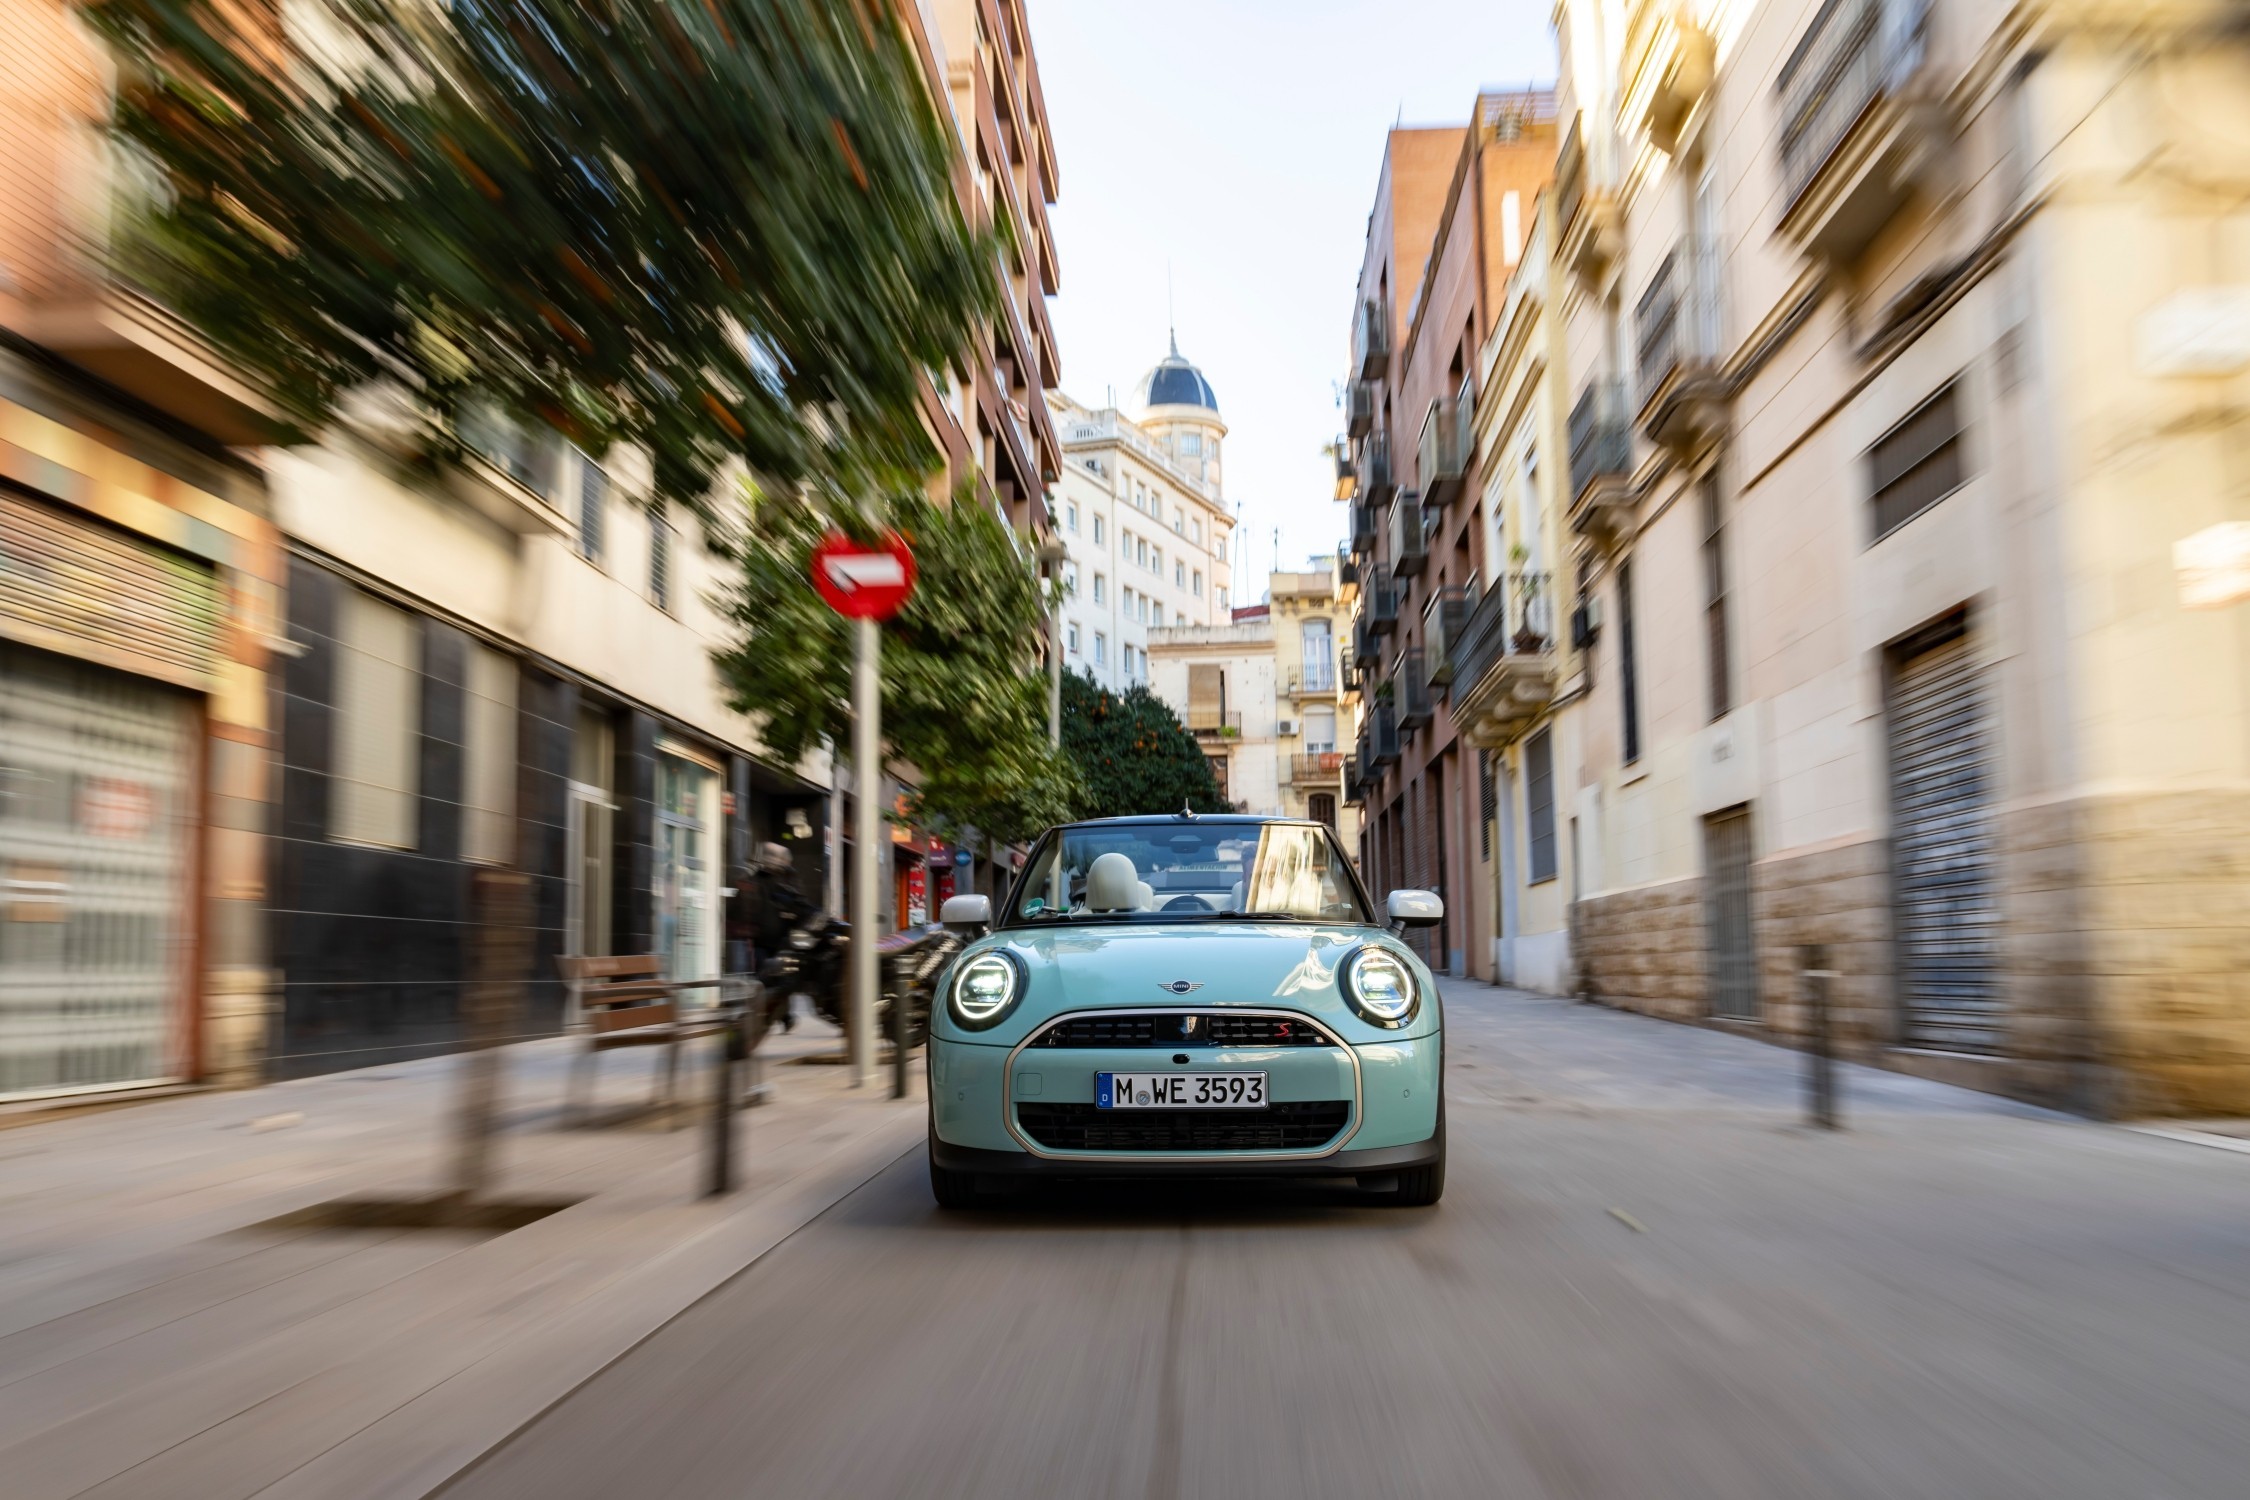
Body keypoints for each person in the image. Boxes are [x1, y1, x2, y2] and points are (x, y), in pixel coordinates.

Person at [746, 842, 810, 1031]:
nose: (773, 861)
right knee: (764, 978)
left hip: (783, 939)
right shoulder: (758, 878)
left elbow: (799, 902)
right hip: (762, 938)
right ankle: (774, 1015)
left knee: (781, 979)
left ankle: (782, 1015)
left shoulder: (788, 878)